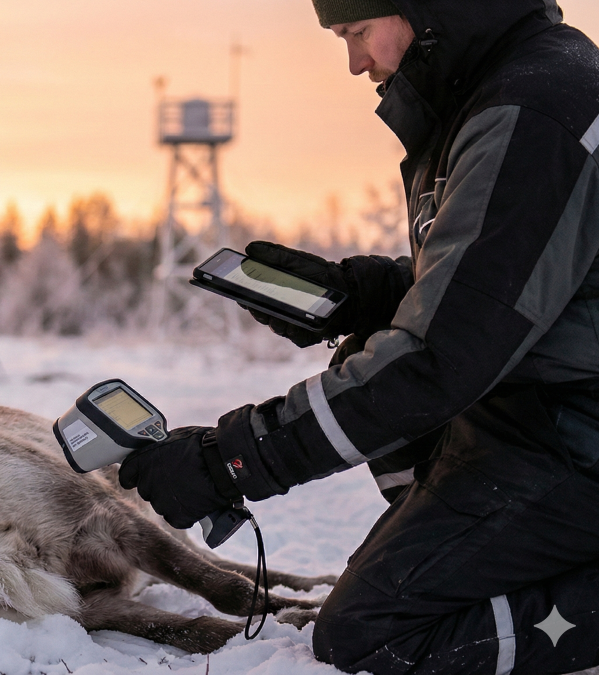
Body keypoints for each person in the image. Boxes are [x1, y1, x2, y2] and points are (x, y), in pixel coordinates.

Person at [118, 2, 599, 673]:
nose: (354, 62)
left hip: (572, 438)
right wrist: (360, 294)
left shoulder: (532, 110)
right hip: (539, 414)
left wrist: (229, 460)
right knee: (373, 345)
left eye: (356, 32)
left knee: (371, 634)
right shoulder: (504, 88)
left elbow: (441, 356)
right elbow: (515, 282)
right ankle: (475, 552)